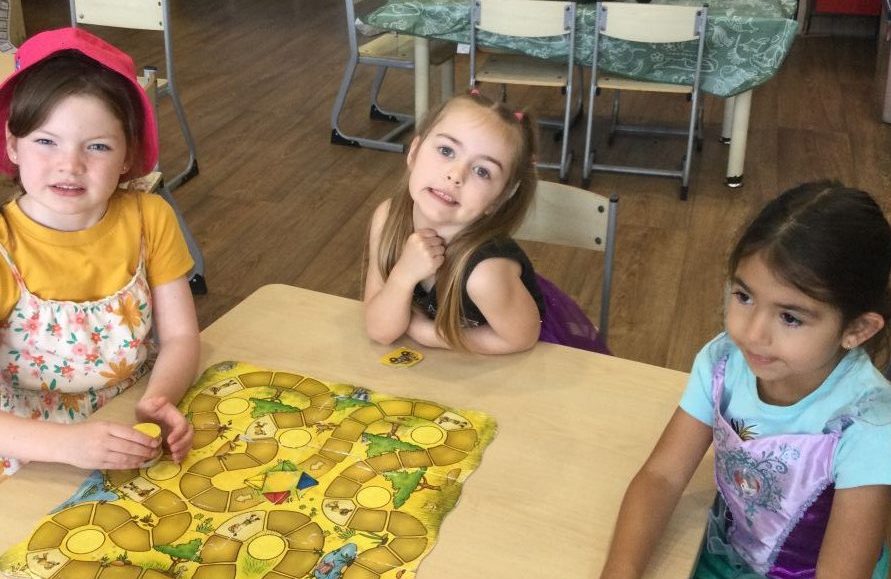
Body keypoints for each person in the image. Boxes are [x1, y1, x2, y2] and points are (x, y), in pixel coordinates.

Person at [599, 182, 891, 579]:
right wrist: (621, 571)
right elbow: (661, 476)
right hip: (725, 552)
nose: (753, 334)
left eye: (790, 317)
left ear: (856, 329)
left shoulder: (870, 425)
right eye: (744, 296)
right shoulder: (723, 362)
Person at [0, 28, 199, 476]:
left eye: (98, 146)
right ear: (13, 145)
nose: (70, 164)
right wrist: (69, 445)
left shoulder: (150, 218)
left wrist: (158, 400)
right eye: (46, 141)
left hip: (124, 428)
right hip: (29, 453)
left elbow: (182, 338)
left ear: (128, 155)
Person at [364, 90, 608, 355]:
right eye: (446, 150)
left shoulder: (486, 274)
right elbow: (380, 330)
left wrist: (429, 333)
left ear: (500, 197)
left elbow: (521, 339)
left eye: (482, 171)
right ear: (414, 152)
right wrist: (403, 275)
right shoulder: (387, 218)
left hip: (522, 361)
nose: (456, 175)